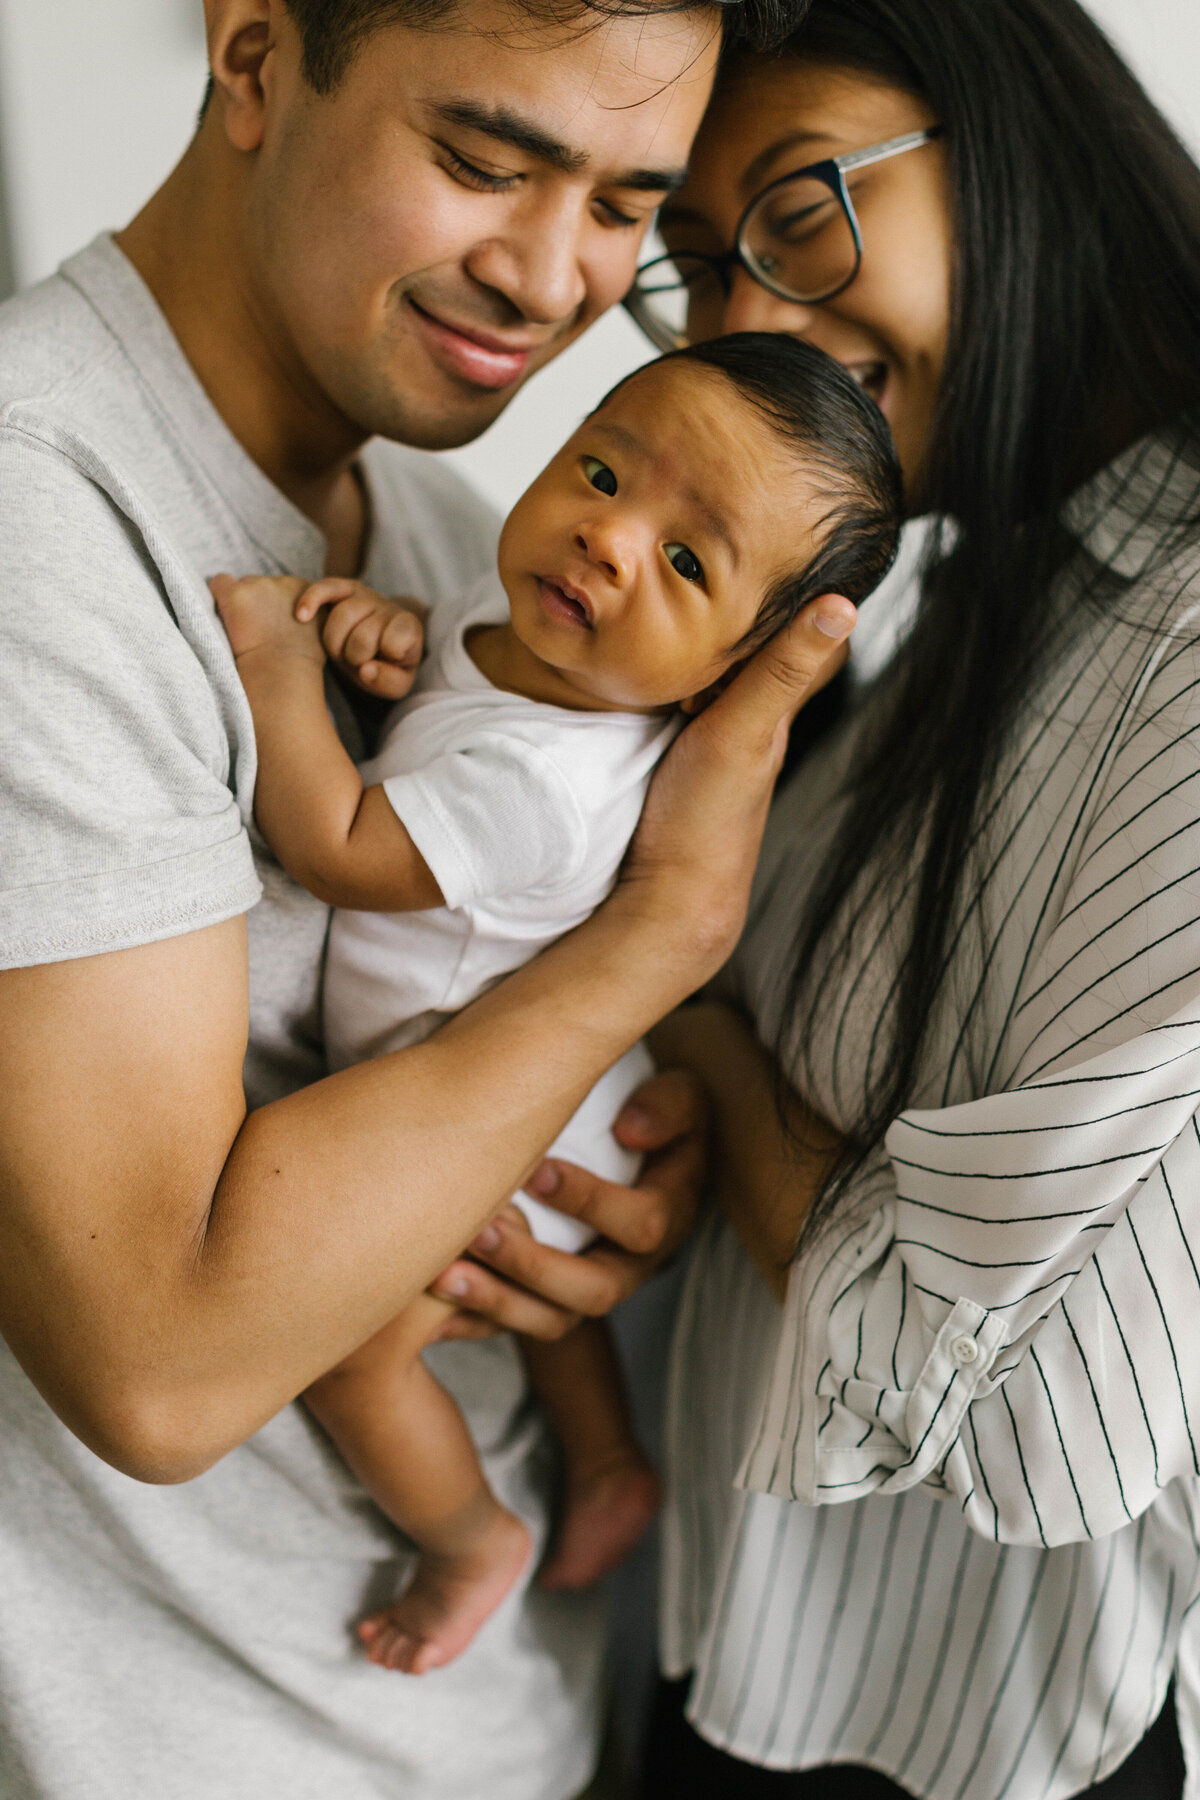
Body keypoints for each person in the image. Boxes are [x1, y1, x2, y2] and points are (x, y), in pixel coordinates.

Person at [0, 0, 859, 1795]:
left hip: (516, 1719)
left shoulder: (483, 547)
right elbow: (159, 1363)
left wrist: (629, 1162)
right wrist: (648, 953)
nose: (550, 278)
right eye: (482, 160)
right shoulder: (43, 520)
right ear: (251, 56)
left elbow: (519, 994)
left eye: (626, 205)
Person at [491, 0, 1200, 1793]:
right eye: (709, 270)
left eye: (800, 221)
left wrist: (709, 1053)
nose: (748, 328)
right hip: (754, 1655)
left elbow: (1026, 1402)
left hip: (965, 1739)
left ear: (1020, 147)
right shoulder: (973, 605)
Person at [211, 333, 902, 1677]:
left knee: (357, 1359)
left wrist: (279, 662)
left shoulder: (552, 784)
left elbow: (343, 842)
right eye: (601, 471)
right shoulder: (530, 625)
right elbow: (446, 688)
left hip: (495, 1114)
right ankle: (605, 1457)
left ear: (731, 674)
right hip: (548, 1092)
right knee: (551, 1324)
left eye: (689, 562)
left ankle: (472, 1538)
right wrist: (389, 632)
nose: (607, 540)